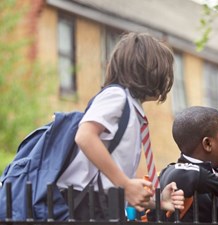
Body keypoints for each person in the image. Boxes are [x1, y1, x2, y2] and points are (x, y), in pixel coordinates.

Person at [56, 32, 184, 220]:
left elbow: (112, 184)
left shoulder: (131, 109)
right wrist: (125, 183)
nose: (167, 78)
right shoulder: (117, 96)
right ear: (148, 70)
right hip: (88, 207)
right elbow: (85, 136)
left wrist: (159, 200)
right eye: (164, 70)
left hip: (103, 205)